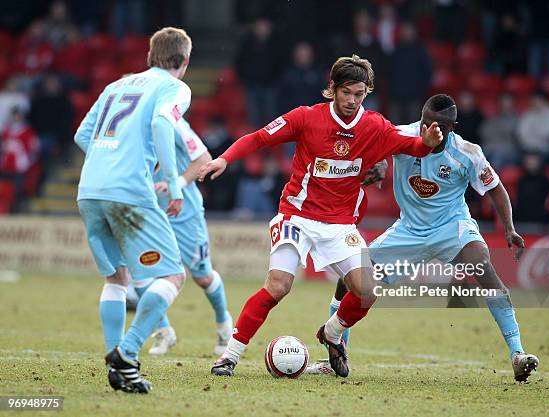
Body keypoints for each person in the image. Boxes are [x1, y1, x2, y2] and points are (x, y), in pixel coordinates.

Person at [198, 54, 443, 377]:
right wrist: (225, 159)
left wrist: (426, 144)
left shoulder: (374, 126)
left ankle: (331, 332)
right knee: (278, 286)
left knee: (368, 291)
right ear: (332, 89)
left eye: (359, 94)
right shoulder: (306, 118)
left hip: (340, 224)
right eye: (346, 93)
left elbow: (412, 147)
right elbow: (259, 137)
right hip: (297, 216)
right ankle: (229, 356)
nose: (352, 100)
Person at [313, 94, 540, 382]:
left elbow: (495, 188)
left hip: (451, 228)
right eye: (424, 122)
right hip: (408, 231)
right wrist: (381, 164)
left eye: (437, 126)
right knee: (352, 275)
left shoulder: (467, 153)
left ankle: (518, 354)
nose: (427, 129)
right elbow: (376, 147)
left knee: (483, 267)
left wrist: (509, 228)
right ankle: (337, 347)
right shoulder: (404, 135)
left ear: (451, 128)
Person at [73, 27, 192, 394]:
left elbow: (82, 135)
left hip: (90, 190)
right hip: (128, 191)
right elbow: (160, 123)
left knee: (117, 278)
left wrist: (108, 163)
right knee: (173, 276)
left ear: (149, 56)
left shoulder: (116, 86)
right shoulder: (175, 87)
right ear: (184, 62)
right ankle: (126, 353)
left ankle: (116, 365)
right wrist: (173, 183)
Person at [137, 117, 232, 356]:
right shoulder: (130, 129)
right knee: (141, 274)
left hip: (184, 215)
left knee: (202, 277)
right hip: (152, 214)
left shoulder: (173, 124)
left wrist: (175, 184)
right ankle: (163, 331)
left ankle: (223, 324)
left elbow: (204, 159)